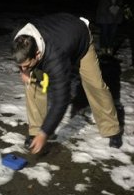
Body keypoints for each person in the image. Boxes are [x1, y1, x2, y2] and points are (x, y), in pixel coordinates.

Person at [11, 13, 122, 154]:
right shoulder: (19, 39)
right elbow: (22, 61)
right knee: (32, 83)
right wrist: (24, 71)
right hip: (58, 33)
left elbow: (61, 99)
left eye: (27, 65)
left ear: (37, 54)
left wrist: (45, 133)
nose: (24, 68)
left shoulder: (56, 57)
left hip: (80, 40)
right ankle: (35, 131)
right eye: (22, 65)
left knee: (95, 85)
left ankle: (112, 129)